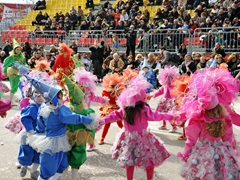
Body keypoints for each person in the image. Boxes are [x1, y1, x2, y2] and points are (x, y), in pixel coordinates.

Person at [99, 76, 176, 180]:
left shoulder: (125, 109)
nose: (145, 100)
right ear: (140, 100)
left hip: (128, 139)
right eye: (144, 98)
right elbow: (157, 116)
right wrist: (171, 115)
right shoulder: (144, 109)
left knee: (129, 162)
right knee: (149, 162)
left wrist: (102, 121)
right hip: (143, 139)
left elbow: (112, 116)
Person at [25, 76, 94, 180]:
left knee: (61, 164)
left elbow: (40, 125)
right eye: (60, 97)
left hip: (54, 140)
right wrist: (90, 119)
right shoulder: (60, 110)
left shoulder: (44, 109)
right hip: (54, 142)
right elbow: (74, 118)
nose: (62, 99)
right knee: (48, 166)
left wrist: (38, 134)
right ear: (54, 99)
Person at [177, 71, 240, 180]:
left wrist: (186, 155)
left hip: (201, 153)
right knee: (219, 175)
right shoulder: (225, 119)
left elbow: (190, 141)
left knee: (201, 175)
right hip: (220, 152)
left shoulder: (197, 120)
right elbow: (228, 139)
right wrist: (231, 152)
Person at [63, 75, 97, 180]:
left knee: (65, 155)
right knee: (77, 156)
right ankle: (73, 177)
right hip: (80, 137)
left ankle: (63, 176)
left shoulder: (65, 109)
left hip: (66, 136)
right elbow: (91, 126)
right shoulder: (87, 111)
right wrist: (91, 136)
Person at [73, 68, 107, 151]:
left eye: (84, 86)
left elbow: (96, 98)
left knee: (90, 129)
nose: (82, 87)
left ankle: (91, 144)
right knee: (77, 129)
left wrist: (104, 100)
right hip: (77, 113)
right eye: (79, 85)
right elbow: (68, 99)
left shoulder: (89, 93)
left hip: (87, 113)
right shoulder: (74, 93)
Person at [98, 73, 125, 145]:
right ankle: (102, 138)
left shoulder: (119, 92)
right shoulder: (105, 92)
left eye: (115, 86)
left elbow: (121, 100)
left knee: (120, 124)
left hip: (117, 109)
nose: (113, 88)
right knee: (107, 124)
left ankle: (127, 135)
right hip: (109, 109)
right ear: (108, 85)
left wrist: (117, 94)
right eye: (112, 86)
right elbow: (104, 100)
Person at [151, 66, 179, 133]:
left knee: (169, 114)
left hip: (169, 102)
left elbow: (173, 94)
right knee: (162, 113)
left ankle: (173, 126)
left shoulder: (171, 86)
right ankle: (164, 125)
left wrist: (174, 100)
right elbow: (160, 91)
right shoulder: (165, 85)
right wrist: (153, 95)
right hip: (164, 101)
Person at [3, 39, 26, 105]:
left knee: (22, 87)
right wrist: (4, 72)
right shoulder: (11, 57)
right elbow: (5, 64)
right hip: (12, 74)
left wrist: (26, 67)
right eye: (17, 49)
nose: (18, 51)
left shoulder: (22, 57)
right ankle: (10, 101)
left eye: (19, 49)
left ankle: (21, 100)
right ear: (14, 50)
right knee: (13, 87)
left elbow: (24, 64)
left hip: (19, 74)